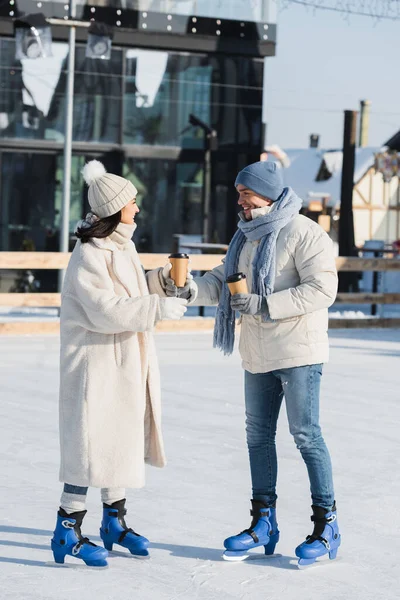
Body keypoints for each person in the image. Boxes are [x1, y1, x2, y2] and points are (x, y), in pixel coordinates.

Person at [163, 161, 341, 567]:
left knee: (306, 434)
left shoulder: (304, 233)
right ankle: (264, 523)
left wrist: (265, 304)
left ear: (269, 193)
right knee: (257, 437)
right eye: (238, 191)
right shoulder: (244, 239)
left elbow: (322, 288)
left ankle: (326, 525)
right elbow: (221, 281)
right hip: (258, 353)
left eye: (247, 192)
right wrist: (189, 289)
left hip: (299, 352)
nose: (239, 199)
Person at [51, 160, 188, 568]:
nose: (138, 208)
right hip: (94, 365)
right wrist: (157, 308)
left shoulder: (121, 245)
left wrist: (159, 281)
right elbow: (104, 308)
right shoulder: (89, 253)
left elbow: (129, 288)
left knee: (118, 440)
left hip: (123, 360)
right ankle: (67, 529)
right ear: (115, 207)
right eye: (132, 201)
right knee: (89, 444)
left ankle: (114, 522)